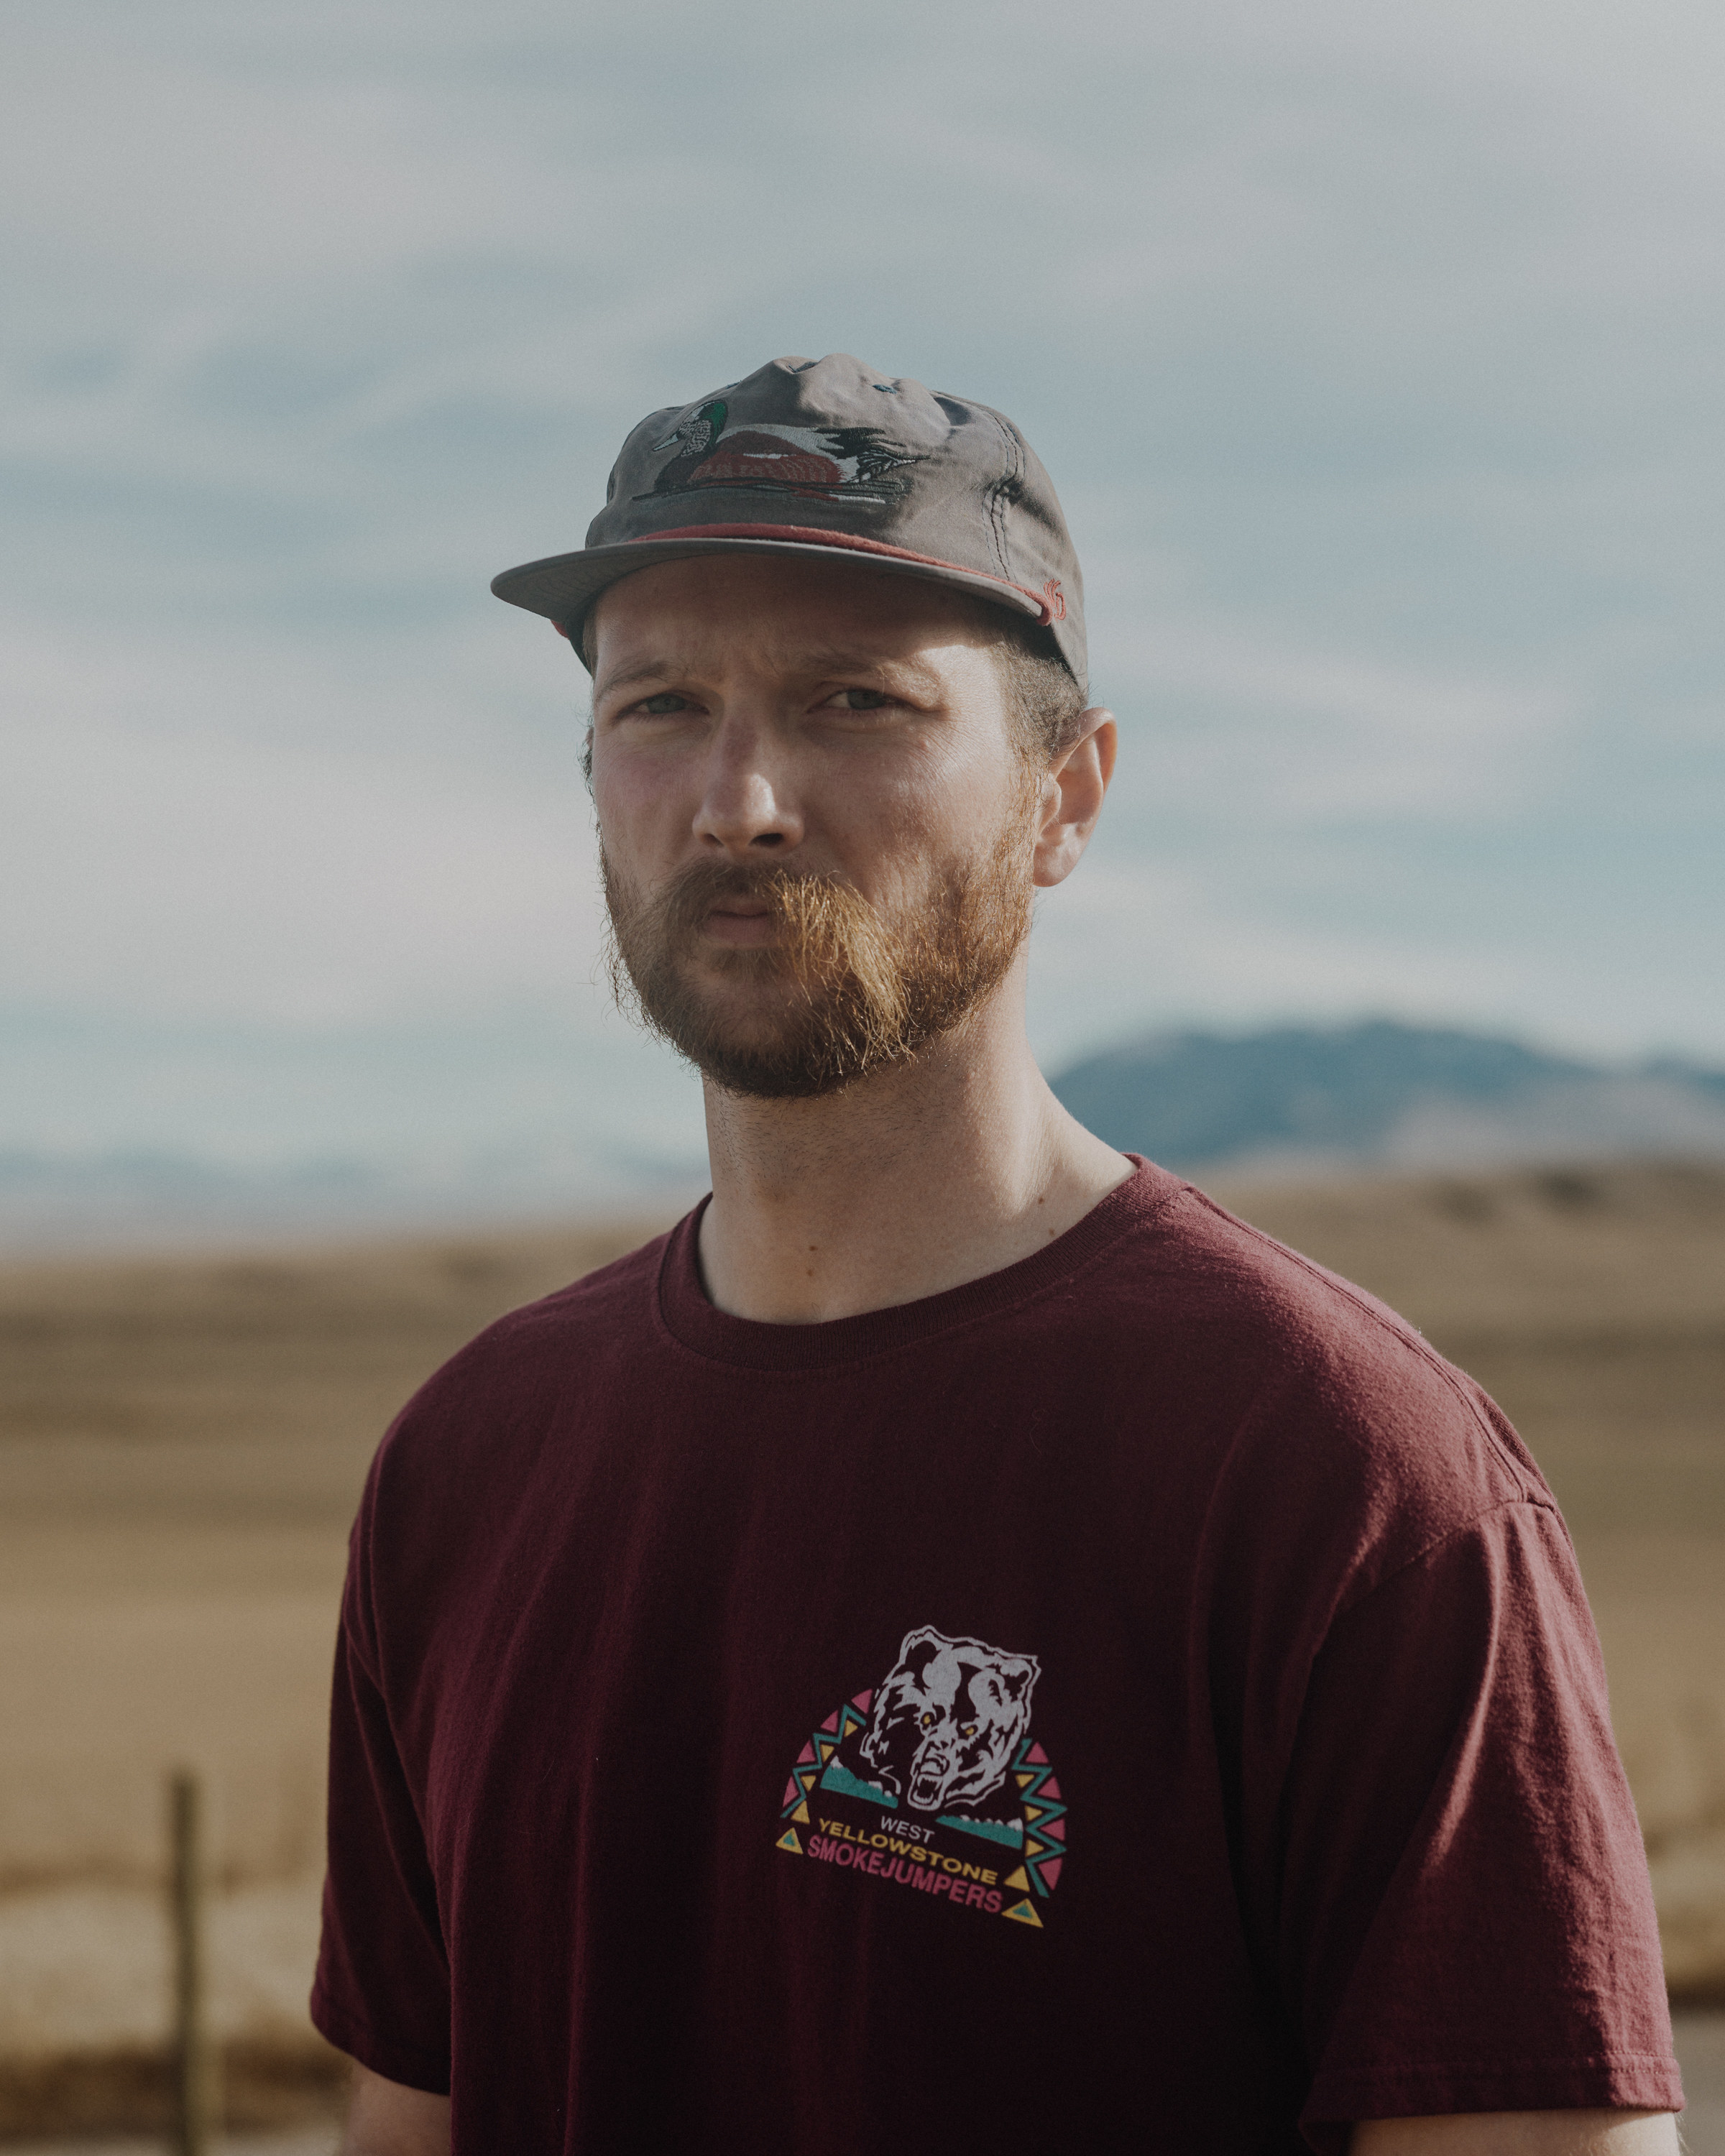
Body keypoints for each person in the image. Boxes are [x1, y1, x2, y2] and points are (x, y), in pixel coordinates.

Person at [312, 354, 1684, 2155]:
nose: (739, 801)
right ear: (593, 778)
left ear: (1068, 800)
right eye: (661, 706)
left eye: (857, 703)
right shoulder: (468, 1463)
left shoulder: (1345, 1477)